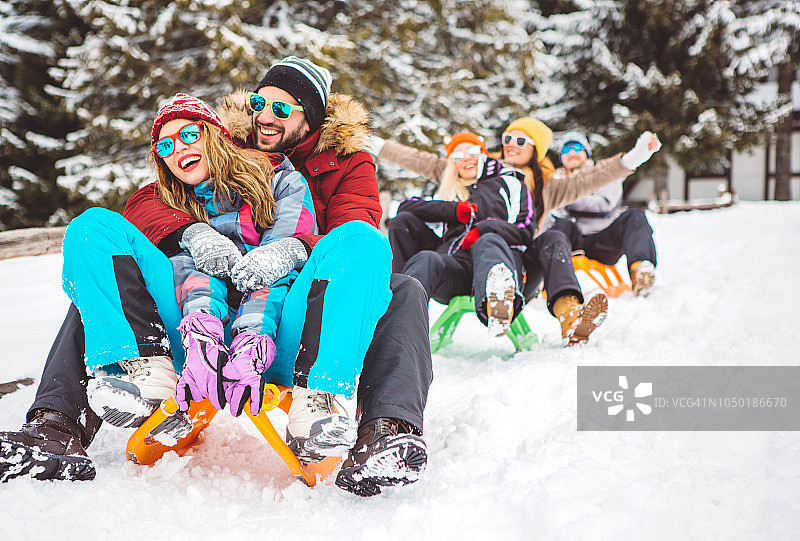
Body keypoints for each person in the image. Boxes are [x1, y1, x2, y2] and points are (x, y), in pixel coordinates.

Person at [1, 57, 433, 498]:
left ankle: (385, 430)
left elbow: (354, 231)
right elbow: (148, 200)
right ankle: (54, 427)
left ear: (313, 117)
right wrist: (193, 232)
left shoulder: (346, 164)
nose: (265, 116)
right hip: (199, 307)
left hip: (300, 304)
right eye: (260, 103)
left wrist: (295, 247)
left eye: (282, 109)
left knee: (402, 289)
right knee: (106, 285)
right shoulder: (219, 144)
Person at [68, 93, 318, 442]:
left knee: (293, 269)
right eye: (165, 146)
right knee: (90, 227)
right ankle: (148, 368)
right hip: (192, 329)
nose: (179, 149)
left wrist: (251, 338)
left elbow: (277, 275)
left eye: (188, 134)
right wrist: (192, 235)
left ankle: (319, 407)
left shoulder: (279, 181)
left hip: (269, 338)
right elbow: (144, 220)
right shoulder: (169, 199)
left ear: (213, 134)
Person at [375, 117, 660, 344]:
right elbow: (424, 161)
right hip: (467, 258)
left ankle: (569, 312)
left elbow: (594, 177)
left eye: (521, 140)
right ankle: (395, 314)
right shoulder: (475, 166)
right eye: (507, 138)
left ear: (535, 148)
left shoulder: (549, 184)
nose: (511, 143)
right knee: (474, 242)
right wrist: (376, 146)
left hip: (520, 257)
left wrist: (632, 158)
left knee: (553, 235)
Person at [390, 132, 535, 337]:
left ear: (484, 154)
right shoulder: (446, 191)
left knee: (488, 240)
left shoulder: (510, 183)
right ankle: (397, 318)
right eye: (457, 156)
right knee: (416, 243)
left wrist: (482, 229)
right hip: (456, 270)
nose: (466, 158)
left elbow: (525, 231)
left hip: (496, 265)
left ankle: (497, 307)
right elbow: (406, 207)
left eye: (472, 151)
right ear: (452, 164)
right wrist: (452, 210)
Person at [549, 131, 657, 296]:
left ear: (586, 152)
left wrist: (567, 199)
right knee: (557, 226)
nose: (571, 153)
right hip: (570, 241)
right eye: (566, 150)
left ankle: (640, 272)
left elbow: (604, 205)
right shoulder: (554, 180)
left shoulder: (603, 173)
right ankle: (545, 280)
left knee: (635, 216)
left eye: (576, 147)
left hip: (603, 240)